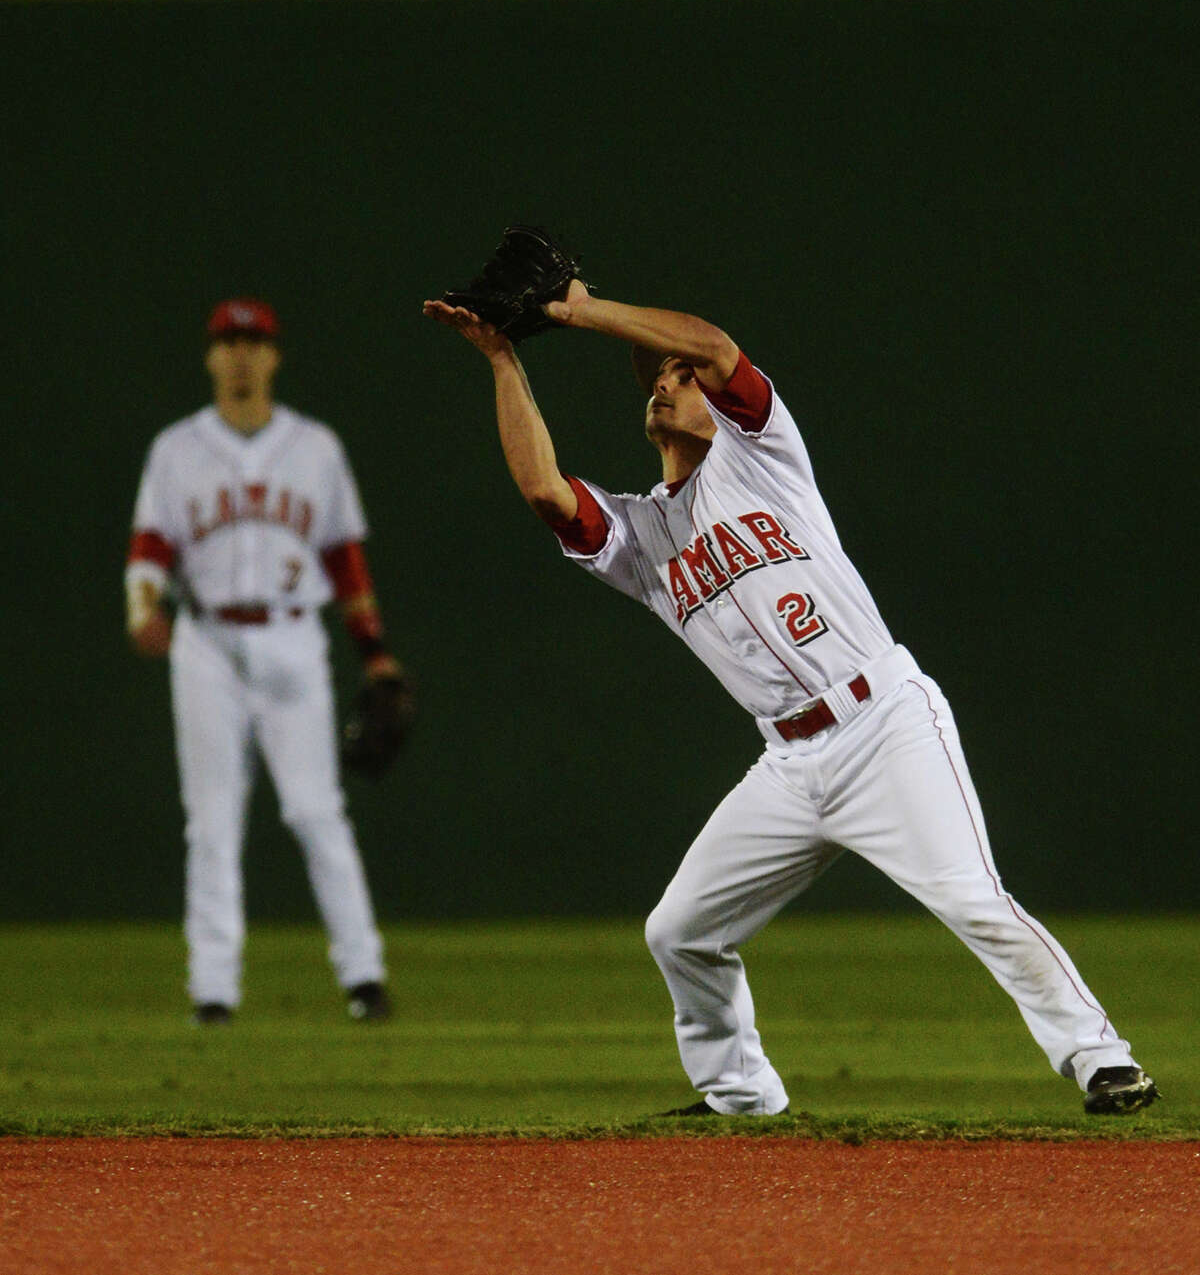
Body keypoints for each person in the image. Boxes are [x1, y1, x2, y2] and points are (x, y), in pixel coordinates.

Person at [423, 278, 1158, 1117]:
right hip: (789, 761)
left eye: (678, 375)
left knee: (970, 896)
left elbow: (716, 345)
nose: (667, 382)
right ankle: (739, 1095)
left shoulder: (762, 451)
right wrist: (503, 358)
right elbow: (544, 489)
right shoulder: (639, 535)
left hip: (883, 722)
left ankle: (1103, 1058)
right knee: (679, 930)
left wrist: (578, 310)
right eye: (656, 378)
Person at [126, 298, 401, 1026]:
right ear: (211, 355)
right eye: (229, 342)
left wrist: (373, 653)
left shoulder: (314, 447)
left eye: (254, 341)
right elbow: (150, 546)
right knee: (212, 821)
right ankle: (213, 990)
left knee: (316, 811)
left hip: (292, 637)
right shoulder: (176, 449)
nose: (242, 354)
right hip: (206, 642)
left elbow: (345, 558)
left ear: (273, 356)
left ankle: (364, 976)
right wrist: (141, 606)